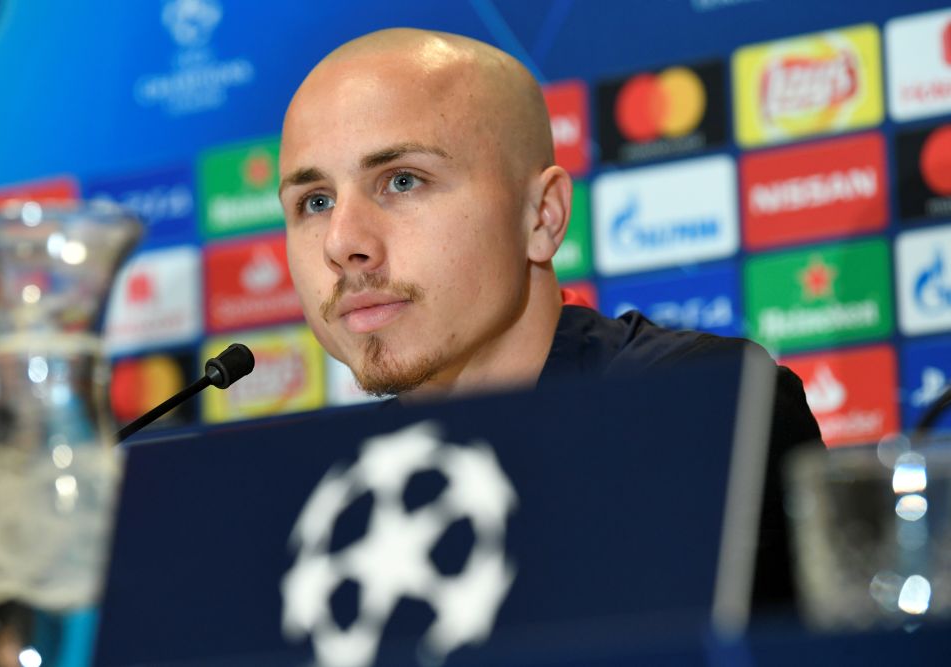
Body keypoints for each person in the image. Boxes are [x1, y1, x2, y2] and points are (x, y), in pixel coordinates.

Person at [278, 28, 822, 610]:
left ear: (542, 215)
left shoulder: (692, 409)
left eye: (403, 180)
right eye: (316, 201)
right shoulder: (319, 490)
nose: (342, 242)